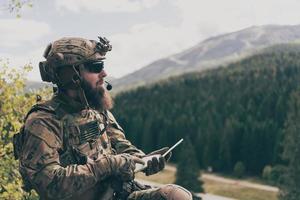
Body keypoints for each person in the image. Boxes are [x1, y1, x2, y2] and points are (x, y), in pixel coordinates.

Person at [14, 37, 193, 200]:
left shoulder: (97, 111)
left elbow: (123, 146)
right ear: (72, 74)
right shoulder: (43, 121)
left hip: (117, 194)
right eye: (96, 67)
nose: (104, 73)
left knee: (176, 196)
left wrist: (143, 160)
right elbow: (49, 184)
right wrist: (109, 165)